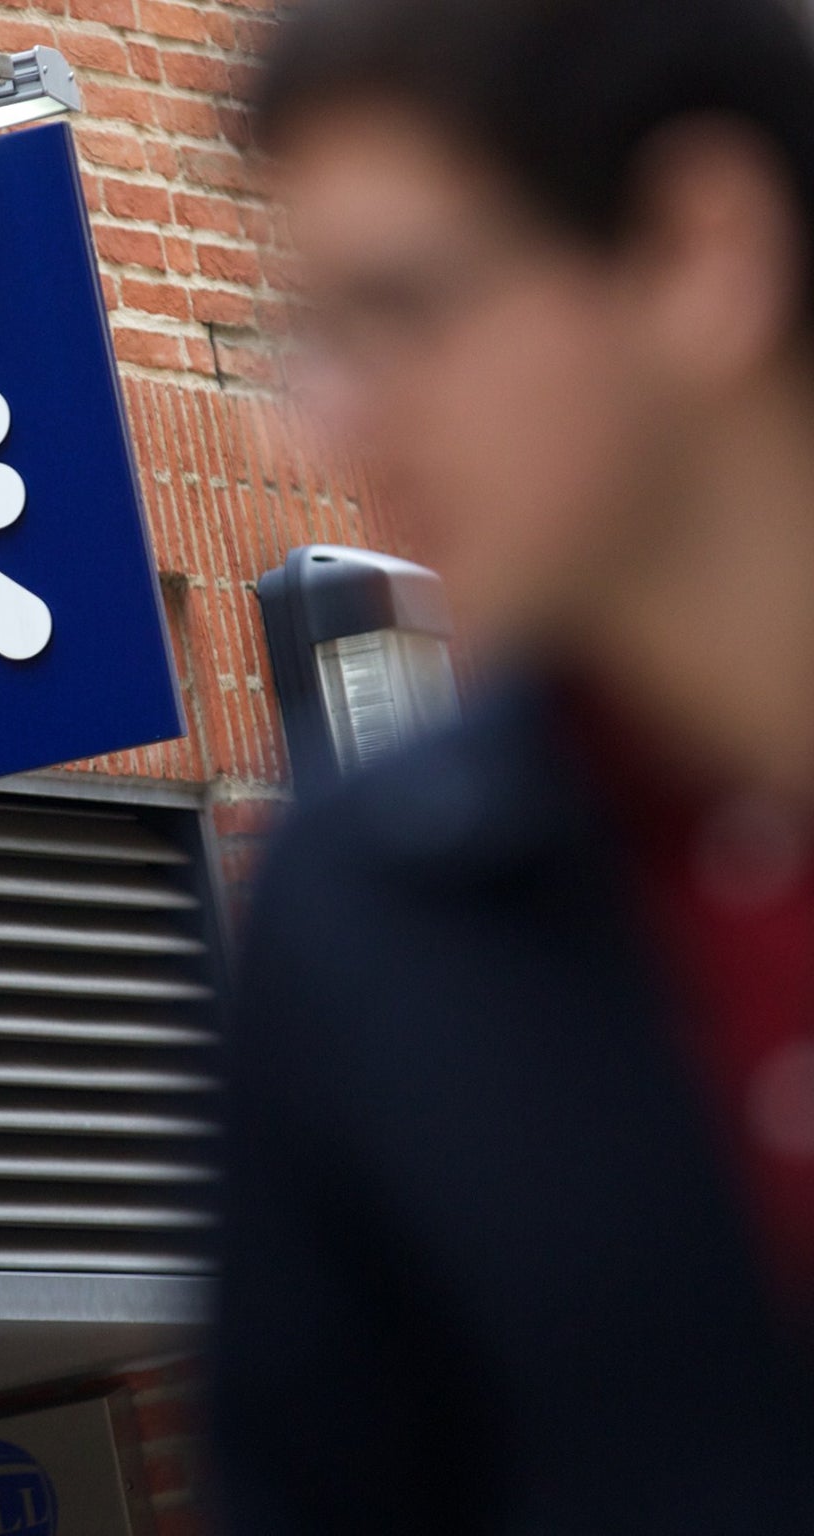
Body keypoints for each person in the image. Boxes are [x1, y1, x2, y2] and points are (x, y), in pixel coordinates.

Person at [215, 0, 814, 1530]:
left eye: (406, 308)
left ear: (703, 248)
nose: (331, 423)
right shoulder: (367, 925)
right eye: (321, 335)